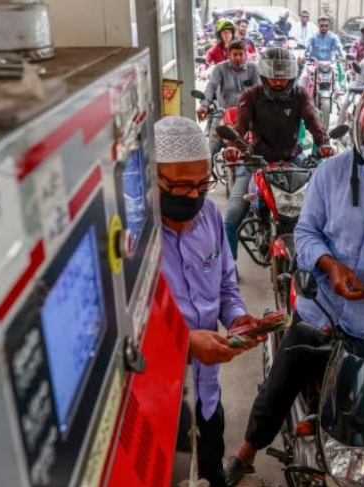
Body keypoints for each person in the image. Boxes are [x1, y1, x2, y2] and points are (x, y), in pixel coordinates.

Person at [222, 74, 364, 486]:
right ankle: (246, 451)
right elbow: (306, 232)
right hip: (323, 312)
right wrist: (330, 265)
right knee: (279, 386)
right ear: (362, 131)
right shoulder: (330, 172)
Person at [155, 116, 265, 487]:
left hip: (207, 391)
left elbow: (226, 285)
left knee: (212, 469)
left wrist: (236, 318)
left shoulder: (210, 217)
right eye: (183, 185)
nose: (194, 197)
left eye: (203, 184)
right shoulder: (135, 240)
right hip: (161, 400)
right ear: (152, 177)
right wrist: (184, 345)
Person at [221, 47, 334, 263]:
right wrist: (233, 147)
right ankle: (228, 268)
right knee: (233, 214)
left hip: (293, 160)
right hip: (256, 160)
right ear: (264, 76)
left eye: (283, 78)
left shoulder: (300, 95)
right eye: (274, 78)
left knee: (323, 207)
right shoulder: (250, 96)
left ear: (292, 76)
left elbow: (313, 121)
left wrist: (324, 143)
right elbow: (239, 126)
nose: (279, 82)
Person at [198, 40, 260, 157]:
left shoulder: (253, 68)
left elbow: (261, 90)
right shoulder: (220, 68)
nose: (238, 58)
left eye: (241, 54)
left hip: (248, 117)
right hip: (223, 115)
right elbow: (211, 86)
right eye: (235, 54)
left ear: (246, 54)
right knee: (211, 151)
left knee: (260, 150)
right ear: (229, 55)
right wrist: (204, 105)